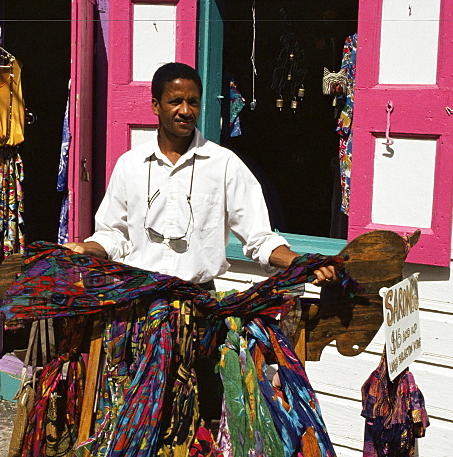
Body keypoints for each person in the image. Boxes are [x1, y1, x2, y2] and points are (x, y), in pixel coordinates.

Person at [64, 61, 336, 287]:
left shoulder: (224, 163)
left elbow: (259, 237)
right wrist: (88, 248)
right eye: (175, 101)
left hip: (199, 307)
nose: (185, 111)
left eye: (193, 102)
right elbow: (113, 235)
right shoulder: (131, 164)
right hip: (138, 304)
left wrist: (302, 262)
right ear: (156, 106)